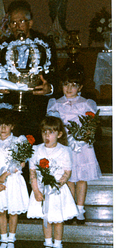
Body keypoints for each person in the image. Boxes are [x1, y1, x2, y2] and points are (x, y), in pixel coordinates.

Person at [0, 0, 57, 143]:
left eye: (21, 21)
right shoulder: (4, 47)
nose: (17, 26)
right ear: (9, 25)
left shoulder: (44, 45)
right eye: (13, 23)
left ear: (30, 23)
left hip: (36, 105)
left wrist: (49, 88)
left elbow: (54, 75)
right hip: (11, 106)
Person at [46, 67, 102, 223]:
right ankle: (70, 209)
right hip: (65, 146)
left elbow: (91, 125)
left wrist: (84, 135)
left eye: (73, 85)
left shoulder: (86, 103)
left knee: (82, 178)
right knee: (69, 178)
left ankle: (80, 209)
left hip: (82, 146)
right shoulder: (56, 104)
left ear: (80, 87)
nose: (69, 88)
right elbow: (53, 126)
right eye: (65, 84)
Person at [27, 116, 78, 248]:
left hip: (57, 190)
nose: (47, 136)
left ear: (59, 134)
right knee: (46, 217)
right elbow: (32, 172)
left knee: (57, 219)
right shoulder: (36, 149)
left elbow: (67, 172)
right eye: (44, 132)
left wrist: (56, 186)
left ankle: (58, 244)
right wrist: (36, 190)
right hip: (41, 189)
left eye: (51, 132)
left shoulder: (64, 150)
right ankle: (48, 243)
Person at [0, 108, 30, 248]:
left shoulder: (18, 141)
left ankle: (11, 238)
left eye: (7, 125)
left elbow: (21, 164)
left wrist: (6, 175)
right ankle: (3, 237)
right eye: (0, 125)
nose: (3, 128)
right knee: (1, 210)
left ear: (12, 126)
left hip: (13, 181)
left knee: (13, 211)